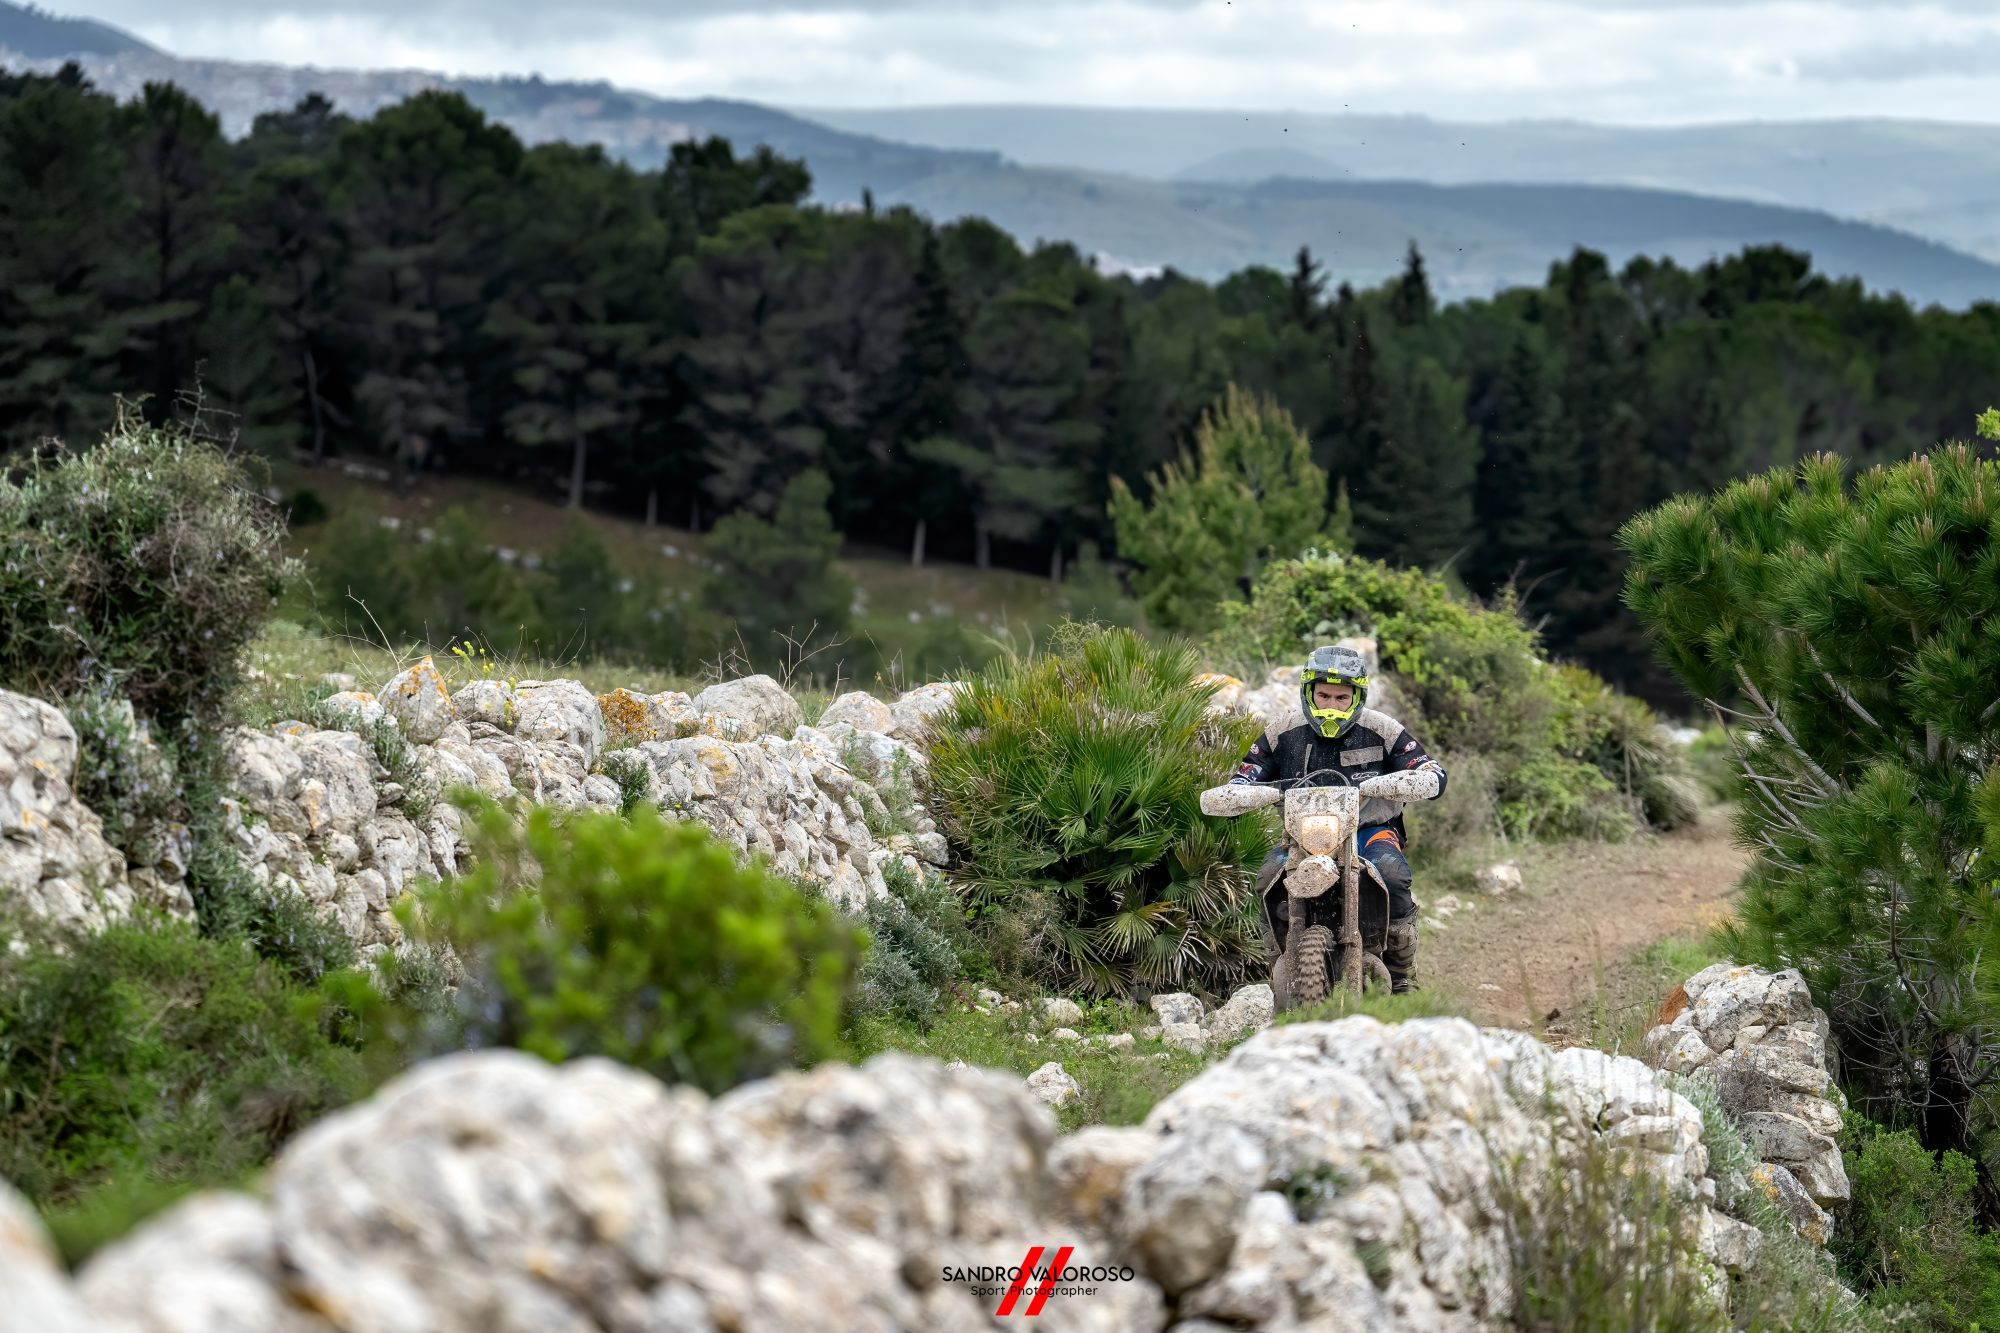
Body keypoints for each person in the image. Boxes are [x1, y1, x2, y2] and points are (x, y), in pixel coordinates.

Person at [1228, 643, 1446, 992]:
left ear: (1357, 697)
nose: (1331, 705)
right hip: (1302, 835)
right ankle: (1279, 964)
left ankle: (1402, 973)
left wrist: (1420, 778)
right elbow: (1246, 773)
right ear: (1309, 693)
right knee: (1269, 874)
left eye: (1341, 698)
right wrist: (1240, 791)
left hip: (1369, 830)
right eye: (1324, 695)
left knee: (1392, 873)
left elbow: (1430, 770)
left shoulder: (1383, 729)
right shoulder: (1282, 732)